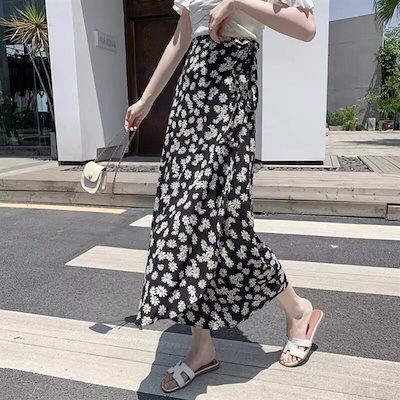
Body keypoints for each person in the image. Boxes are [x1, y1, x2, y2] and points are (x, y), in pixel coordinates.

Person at [124, 0, 324, 393]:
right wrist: (146, 100)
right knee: (183, 221)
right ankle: (202, 347)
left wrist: (235, 0)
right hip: (192, 97)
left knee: (228, 224)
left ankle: (298, 309)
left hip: (229, 91)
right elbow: (181, 37)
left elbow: (306, 28)